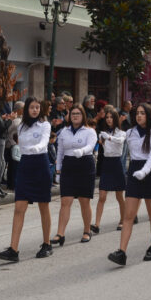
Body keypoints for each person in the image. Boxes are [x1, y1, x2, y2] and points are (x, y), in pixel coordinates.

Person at [0, 98, 53, 262]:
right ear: (26, 109)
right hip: (25, 164)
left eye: (37, 107)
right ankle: (13, 249)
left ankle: (47, 244)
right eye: (32, 107)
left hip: (40, 163)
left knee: (43, 205)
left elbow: (44, 141)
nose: (35, 110)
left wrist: (37, 148)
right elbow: (18, 143)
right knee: (19, 207)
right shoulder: (21, 126)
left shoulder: (45, 125)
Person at [108, 104, 151, 265]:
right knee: (129, 215)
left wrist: (144, 171)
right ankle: (122, 252)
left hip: (149, 171)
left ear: (148, 115)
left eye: (142, 113)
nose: (139, 116)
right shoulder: (130, 132)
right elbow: (119, 143)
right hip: (134, 171)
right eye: (137, 113)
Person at [52, 104, 97, 246]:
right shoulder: (64, 132)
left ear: (83, 115)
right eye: (73, 114)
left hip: (85, 165)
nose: (75, 116)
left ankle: (87, 230)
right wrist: (58, 171)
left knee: (84, 201)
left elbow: (91, 146)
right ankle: (60, 234)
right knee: (65, 201)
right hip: (69, 166)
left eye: (78, 113)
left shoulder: (89, 131)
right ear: (69, 116)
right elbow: (59, 152)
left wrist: (82, 151)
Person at [92, 107, 126, 234]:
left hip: (117, 163)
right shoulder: (103, 133)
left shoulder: (121, 133)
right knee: (102, 196)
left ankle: (123, 220)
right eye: (107, 117)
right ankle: (96, 224)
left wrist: (109, 138)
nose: (109, 119)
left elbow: (120, 141)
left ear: (115, 119)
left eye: (111, 117)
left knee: (119, 196)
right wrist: (102, 137)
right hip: (106, 163)